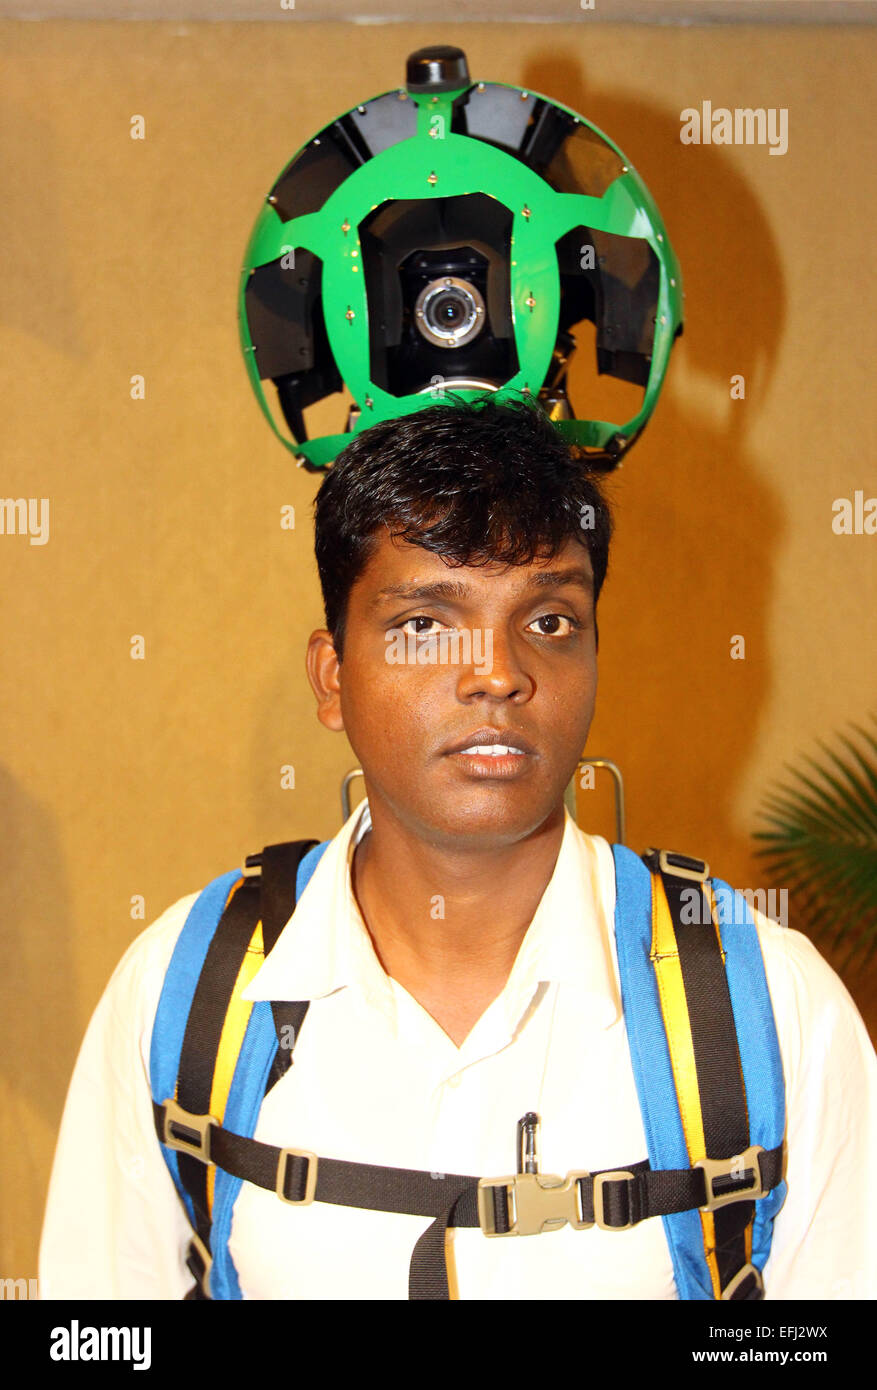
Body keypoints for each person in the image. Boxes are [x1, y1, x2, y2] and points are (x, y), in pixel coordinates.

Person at [39, 395, 877, 1299]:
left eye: (549, 621)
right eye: (426, 624)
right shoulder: (186, 994)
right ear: (332, 678)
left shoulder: (767, 1012)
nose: (499, 673)